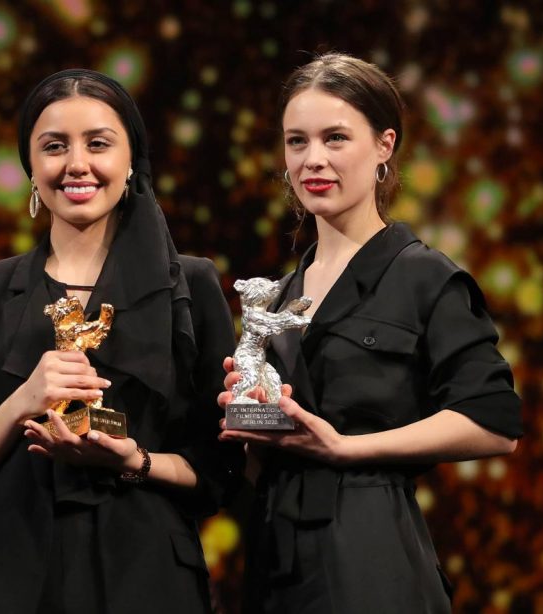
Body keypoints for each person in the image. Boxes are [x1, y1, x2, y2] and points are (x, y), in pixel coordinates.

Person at [217, 53, 523, 613]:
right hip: (273, 555)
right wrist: (253, 423)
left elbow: (493, 422)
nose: (313, 159)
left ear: (385, 145)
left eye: (335, 138)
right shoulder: (279, 294)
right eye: (296, 141)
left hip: (370, 549)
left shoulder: (424, 276)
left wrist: (347, 448)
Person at [0, 68, 242, 614]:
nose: (76, 164)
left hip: (150, 578)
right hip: (14, 577)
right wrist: (23, 401)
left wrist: (135, 460)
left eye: (98, 144)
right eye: (54, 146)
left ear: (131, 160)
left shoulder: (190, 286)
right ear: (31, 166)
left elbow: (220, 473)